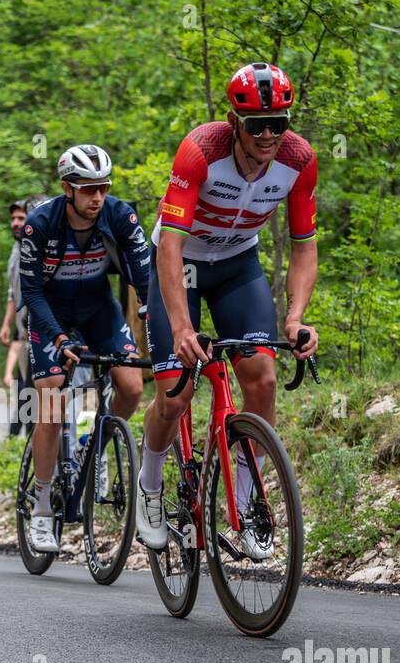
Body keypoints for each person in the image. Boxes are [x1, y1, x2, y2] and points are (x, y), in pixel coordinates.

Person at [135, 62, 319, 560]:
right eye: (255, 123)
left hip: (238, 263)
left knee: (261, 376)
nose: (267, 134)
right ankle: (149, 484)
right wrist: (180, 326)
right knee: (176, 394)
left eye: (277, 123)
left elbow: (304, 245)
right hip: (184, 263)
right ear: (234, 120)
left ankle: (248, 491)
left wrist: (296, 317)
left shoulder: (299, 160)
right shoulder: (201, 151)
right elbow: (169, 247)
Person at [18, 144, 151, 553]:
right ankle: (41, 505)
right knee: (52, 398)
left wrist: (155, 317)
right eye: (89, 189)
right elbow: (31, 291)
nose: (97, 197)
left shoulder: (120, 214)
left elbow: (144, 277)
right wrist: (58, 338)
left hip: (98, 310)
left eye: (103, 188)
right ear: (67, 188)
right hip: (50, 314)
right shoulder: (39, 224)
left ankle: (100, 442)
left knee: (130, 387)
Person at [1, 200, 30, 436]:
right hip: (23, 333)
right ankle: (20, 444)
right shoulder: (15, 251)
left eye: (21, 218)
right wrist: (6, 323)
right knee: (26, 388)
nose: (15, 223)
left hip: (42, 330)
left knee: (37, 393)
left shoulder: (37, 248)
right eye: (13, 219)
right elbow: (13, 291)